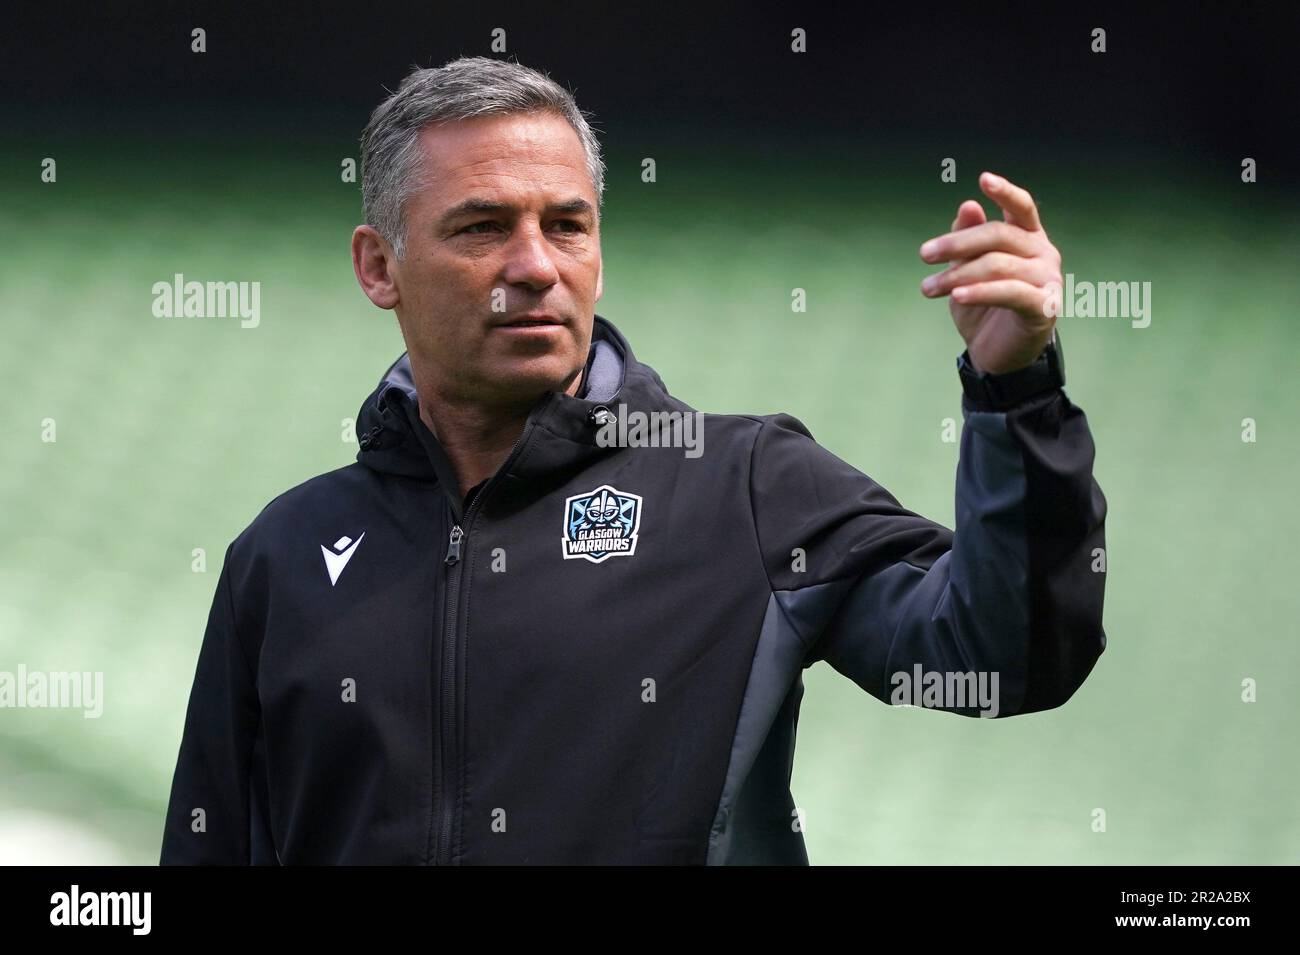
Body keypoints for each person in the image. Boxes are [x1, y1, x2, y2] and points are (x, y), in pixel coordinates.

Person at [161, 56, 1106, 865]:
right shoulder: (285, 555)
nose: (535, 264)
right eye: (483, 227)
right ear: (379, 266)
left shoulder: (744, 485)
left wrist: (1014, 391)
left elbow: (1008, 658)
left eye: (566, 225)